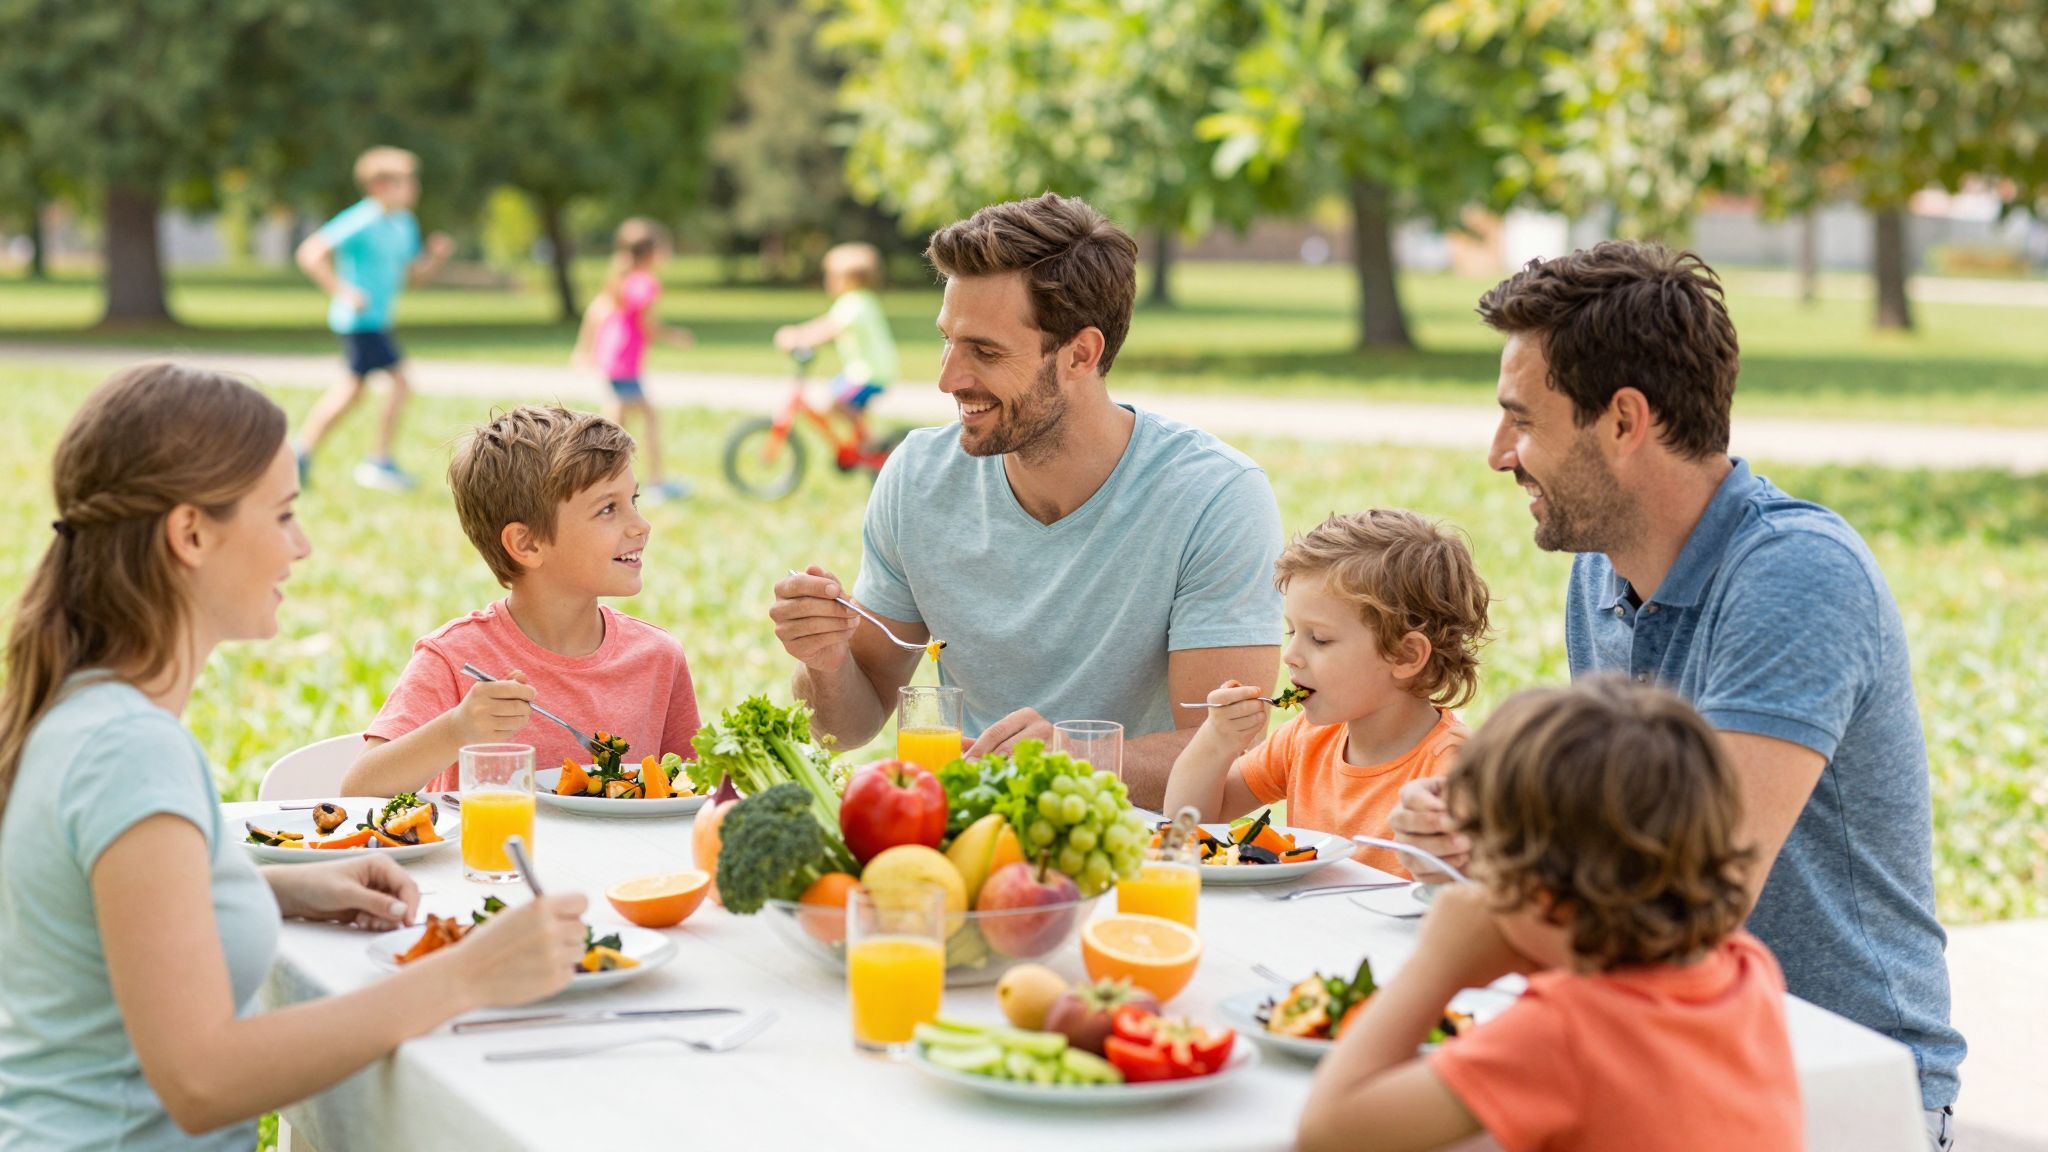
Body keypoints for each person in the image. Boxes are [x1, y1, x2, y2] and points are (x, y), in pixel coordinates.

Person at [1388, 240, 1964, 1140]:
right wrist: (1484, 828)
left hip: (1830, 1086)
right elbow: (1616, 841)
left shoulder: (1797, 576)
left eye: (1522, 421)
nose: (1499, 454)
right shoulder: (1602, 570)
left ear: (1625, 421)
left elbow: (1698, 894)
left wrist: (1489, 890)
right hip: (1661, 1053)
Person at [0, 364, 589, 1151]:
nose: (301, 546)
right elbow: (203, 1081)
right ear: (190, 534)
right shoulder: (126, 750)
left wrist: (271, 889)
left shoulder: (90, 714)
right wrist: (467, 975)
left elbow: (100, 920)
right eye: (282, 516)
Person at [771, 194, 1282, 808]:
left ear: (1080, 355)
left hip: (1144, 845)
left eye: (985, 352)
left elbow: (1231, 759)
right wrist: (826, 660)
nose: (948, 378)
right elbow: (846, 725)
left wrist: (1070, 757)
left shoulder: (1213, 497)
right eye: (947, 341)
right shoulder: (918, 477)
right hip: (968, 833)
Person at [1298, 678, 1801, 1152]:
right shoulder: (1745, 966)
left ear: (1543, 897)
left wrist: (1438, 965)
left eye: (1487, 873)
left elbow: (1330, 1130)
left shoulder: (1563, 1033)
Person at [341, 405, 701, 796]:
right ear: (526, 544)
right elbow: (359, 789)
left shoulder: (658, 657)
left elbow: (695, 791)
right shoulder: (455, 657)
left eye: (635, 500)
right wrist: (458, 729)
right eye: (608, 509)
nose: (641, 525)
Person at [1162, 510, 1489, 876]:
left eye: (1319, 638)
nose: (1291, 655)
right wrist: (1216, 740)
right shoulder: (1306, 739)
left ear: (1405, 655)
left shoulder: (1455, 770)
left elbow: (1476, 888)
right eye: (1292, 632)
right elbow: (1187, 823)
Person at [291, 145, 454, 492]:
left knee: (351, 391)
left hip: (377, 321)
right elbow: (310, 253)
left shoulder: (404, 224)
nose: (414, 188)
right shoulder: (361, 219)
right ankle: (378, 462)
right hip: (358, 321)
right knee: (400, 383)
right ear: (380, 186)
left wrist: (435, 258)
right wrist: (343, 291)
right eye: (405, 182)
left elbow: (411, 278)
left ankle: (300, 453)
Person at [573, 218, 694, 503]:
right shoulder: (645, 284)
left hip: (614, 357)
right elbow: (647, 326)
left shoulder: (621, 276)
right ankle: (654, 484)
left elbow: (596, 310)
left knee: (616, 421)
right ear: (652, 252)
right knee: (639, 419)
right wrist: (675, 336)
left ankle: (602, 483)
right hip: (624, 361)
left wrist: (585, 348)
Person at [773, 242, 900, 435]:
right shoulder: (862, 300)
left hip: (868, 376)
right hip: (862, 373)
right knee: (833, 400)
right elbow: (828, 323)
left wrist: (796, 336)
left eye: (832, 276)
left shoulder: (855, 302)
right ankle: (859, 442)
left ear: (850, 279)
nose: (828, 281)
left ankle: (866, 444)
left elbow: (829, 328)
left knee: (832, 406)